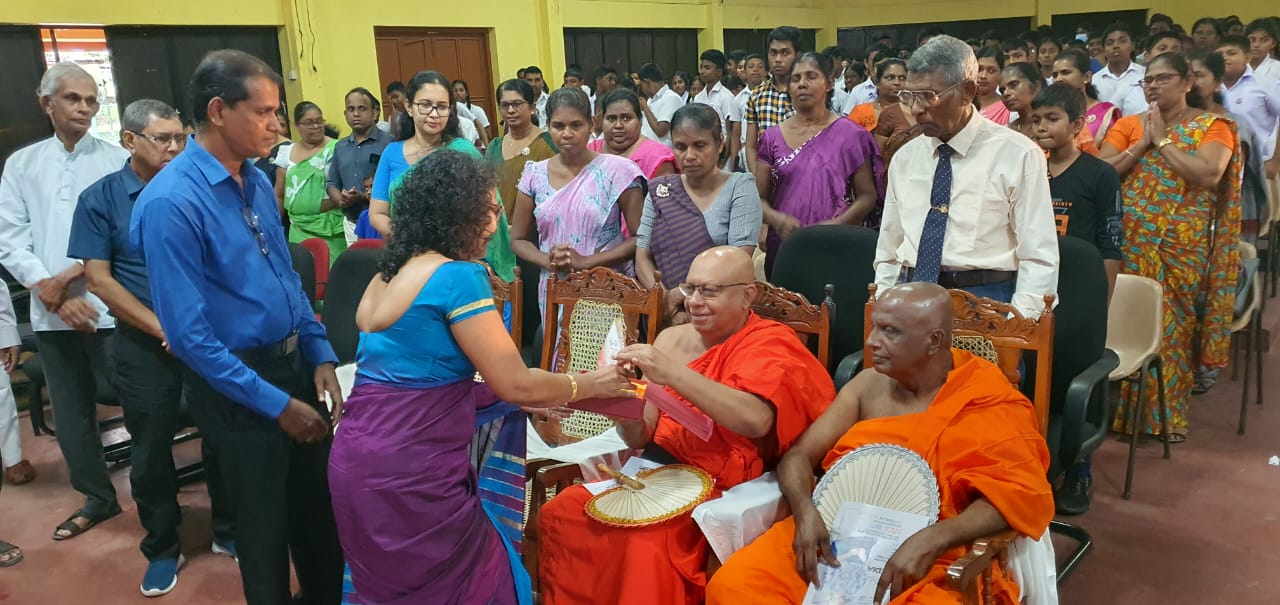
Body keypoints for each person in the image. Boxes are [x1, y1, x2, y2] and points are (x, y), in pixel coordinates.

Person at [329, 149, 633, 605]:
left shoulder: (385, 276)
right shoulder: (458, 277)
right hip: (412, 473)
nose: (494, 226)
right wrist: (591, 384)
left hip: (355, 463)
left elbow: (411, 385)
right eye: (486, 212)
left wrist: (507, 397)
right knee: (471, 582)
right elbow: (517, 382)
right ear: (453, 215)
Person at [130, 49, 345, 604]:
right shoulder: (172, 203)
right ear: (220, 110)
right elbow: (189, 339)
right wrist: (276, 405)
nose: (278, 123)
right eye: (266, 111)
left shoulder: (253, 179)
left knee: (317, 516)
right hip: (237, 386)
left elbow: (286, 276)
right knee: (263, 528)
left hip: (293, 364)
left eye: (279, 111)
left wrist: (318, 351)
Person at [705, 282, 1054, 605]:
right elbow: (798, 456)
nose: (871, 342)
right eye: (874, 327)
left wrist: (934, 538)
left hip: (930, 553)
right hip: (836, 534)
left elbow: (1012, 494)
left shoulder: (986, 398)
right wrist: (805, 509)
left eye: (890, 332)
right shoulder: (866, 386)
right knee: (733, 586)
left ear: (933, 341)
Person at [538, 246, 836, 605]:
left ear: (747, 295)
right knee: (564, 512)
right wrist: (619, 408)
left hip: (716, 486)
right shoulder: (669, 340)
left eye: (709, 291)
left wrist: (673, 374)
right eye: (689, 288)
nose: (694, 301)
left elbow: (755, 420)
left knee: (644, 542)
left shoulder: (770, 343)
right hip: (654, 475)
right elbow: (642, 433)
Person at [67, 99, 238, 596]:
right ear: (129, 141)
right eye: (162, 138)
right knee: (149, 453)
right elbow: (99, 280)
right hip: (145, 346)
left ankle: (228, 529)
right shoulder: (101, 199)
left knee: (223, 439)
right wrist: (166, 329)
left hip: (209, 340)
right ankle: (163, 547)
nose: (174, 147)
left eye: (180, 138)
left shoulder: (200, 189)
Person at [0, 62, 126, 541]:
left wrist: (74, 279)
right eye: (74, 99)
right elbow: (10, 239)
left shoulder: (115, 159)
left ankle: (158, 497)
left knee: (141, 403)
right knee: (71, 414)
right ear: (45, 103)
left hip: (111, 307)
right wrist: (49, 291)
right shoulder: (22, 164)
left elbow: (123, 233)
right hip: (50, 313)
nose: (85, 108)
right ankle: (98, 498)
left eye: (92, 100)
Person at [1098, 52, 1241, 443]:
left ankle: (1165, 416)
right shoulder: (1129, 125)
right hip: (1130, 238)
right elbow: (1101, 171)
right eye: (1149, 80)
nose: (1154, 86)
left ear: (1187, 82)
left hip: (1181, 243)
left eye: (1164, 78)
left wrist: (1160, 140)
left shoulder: (1213, 127)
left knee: (1173, 325)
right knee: (1126, 321)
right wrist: (1141, 143)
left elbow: (1208, 173)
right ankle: (1122, 414)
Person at [874, 35, 1059, 320]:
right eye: (909, 96)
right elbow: (889, 247)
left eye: (928, 96)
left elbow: (1038, 255)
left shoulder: (1017, 154)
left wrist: (1018, 326)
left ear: (967, 91)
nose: (916, 109)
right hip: (912, 296)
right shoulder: (906, 157)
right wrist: (884, 304)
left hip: (987, 301)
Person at [368, 71, 517, 281]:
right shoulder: (392, 153)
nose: (434, 113)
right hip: (411, 260)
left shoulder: (463, 151)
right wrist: (414, 244)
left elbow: (491, 208)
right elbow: (378, 214)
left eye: (442, 106)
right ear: (409, 106)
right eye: (425, 105)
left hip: (462, 262)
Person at [510, 88, 645, 312]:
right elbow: (518, 239)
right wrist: (548, 260)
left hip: (605, 287)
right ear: (548, 127)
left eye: (576, 125)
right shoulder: (534, 174)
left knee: (606, 348)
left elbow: (641, 237)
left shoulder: (618, 171)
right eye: (558, 126)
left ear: (592, 124)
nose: (567, 134)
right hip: (554, 289)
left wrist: (585, 262)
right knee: (557, 346)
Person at [757, 52, 883, 276]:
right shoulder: (771, 138)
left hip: (837, 246)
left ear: (829, 83)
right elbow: (759, 198)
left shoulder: (851, 135)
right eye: (796, 79)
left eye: (811, 77)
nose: (802, 84)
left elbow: (867, 196)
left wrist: (837, 226)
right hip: (787, 248)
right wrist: (777, 220)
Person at [635, 104, 762, 322]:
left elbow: (738, 258)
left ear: (720, 142)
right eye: (680, 147)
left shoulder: (740, 186)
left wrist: (683, 294)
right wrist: (665, 299)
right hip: (666, 311)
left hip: (719, 312)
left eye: (700, 145)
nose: (689, 155)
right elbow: (642, 256)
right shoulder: (660, 191)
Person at [1030, 84, 1123, 297]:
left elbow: (1111, 244)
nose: (1041, 127)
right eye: (1036, 120)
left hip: (1081, 283)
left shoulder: (1101, 174)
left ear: (1077, 124)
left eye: (1052, 119)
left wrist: (1101, 304)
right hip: (1035, 281)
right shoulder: (1030, 171)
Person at [1191, 50, 1271, 245]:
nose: (1190, 83)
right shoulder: (1178, 121)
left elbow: (1228, 180)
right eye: (1187, 76)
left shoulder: (1234, 125)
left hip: (1226, 214)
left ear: (1218, 84)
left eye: (1199, 76)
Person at [273, 101, 344, 261]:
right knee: (306, 276)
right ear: (297, 125)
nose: (316, 126)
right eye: (309, 123)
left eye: (319, 121)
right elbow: (279, 194)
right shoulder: (286, 153)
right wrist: (273, 224)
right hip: (298, 230)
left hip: (331, 228)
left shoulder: (337, 149)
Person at [486, 79, 558, 222]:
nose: (511, 110)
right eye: (505, 105)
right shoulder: (495, 146)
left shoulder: (549, 143)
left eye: (517, 104)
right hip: (498, 232)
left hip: (536, 235)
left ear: (532, 108)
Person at [326, 87, 389, 246]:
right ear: (345, 114)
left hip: (382, 221)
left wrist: (362, 196)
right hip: (351, 222)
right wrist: (340, 199)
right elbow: (331, 183)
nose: (355, 114)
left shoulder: (389, 144)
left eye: (362, 109)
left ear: (374, 113)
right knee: (359, 268)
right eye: (351, 109)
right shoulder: (340, 146)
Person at [1219, 36, 1280, 182]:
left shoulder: (1265, 84)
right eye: (1220, 55)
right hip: (1220, 165)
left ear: (1247, 57)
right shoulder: (1210, 87)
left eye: (1231, 53)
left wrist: (1276, 161)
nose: (1225, 58)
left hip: (1261, 164)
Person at [746, 27, 803, 170]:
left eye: (785, 53)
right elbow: (751, 146)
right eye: (773, 53)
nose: (778, 59)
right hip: (766, 178)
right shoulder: (757, 94)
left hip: (802, 176)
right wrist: (757, 178)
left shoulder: (806, 93)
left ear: (797, 56)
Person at [589, 88, 677, 180]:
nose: (618, 125)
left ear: (640, 121)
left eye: (626, 118)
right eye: (611, 119)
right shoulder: (590, 151)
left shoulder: (657, 157)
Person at [1052, 49, 1122, 146]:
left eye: (1065, 72)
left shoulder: (1106, 112)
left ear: (1087, 77)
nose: (1058, 79)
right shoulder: (1051, 114)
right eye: (1055, 75)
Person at [1094, 23, 1150, 116]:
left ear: (1132, 45)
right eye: (1110, 43)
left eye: (1122, 41)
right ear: (1104, 50)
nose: (1115, 46)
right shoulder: (1094, 80)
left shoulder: (1145, 74)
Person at [847, 58, 907, 142]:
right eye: (890, 78)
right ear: (877, 82)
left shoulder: (914, 111)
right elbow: (849, 143)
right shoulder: (861, 112)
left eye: (902, 78)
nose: (897, 82)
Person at [693, 49, 737, 143]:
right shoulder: (698, 97)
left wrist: (724, 157)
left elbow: (730, 132)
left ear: (719, 71)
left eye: (707, 68)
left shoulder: (726, 97)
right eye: (701, 67)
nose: (702, 71)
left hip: (721, 148)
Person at [636, 62, 683, 148]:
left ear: (646, 83)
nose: (642, 89)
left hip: (663, 153)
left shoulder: (671, 98)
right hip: (646, 150)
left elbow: (660, 131)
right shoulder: (650, 100)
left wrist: (646, 109)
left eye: (641, 85)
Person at [1001, 62, 1047, 139]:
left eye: (1013, 85)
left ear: (1036, 87)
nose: (1005, 93)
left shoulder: (1054, 126)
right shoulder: (1006, 132)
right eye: (1002, 90)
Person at [975, 46, 1008, 125]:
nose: (983, 76)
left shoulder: (1008, 107)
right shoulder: (961, 103)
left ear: (1001, 73)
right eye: (979, 69)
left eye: (991, 71)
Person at [453, 79, 491, 146]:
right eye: (455, 91)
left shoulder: (477, 110)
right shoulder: (450, 109)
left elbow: (487, 132)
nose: (458, 93)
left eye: (461, 90)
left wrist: (487, 147)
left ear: (466, 93)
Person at [1246, 18, 1280, 85]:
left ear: (1273, 44)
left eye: (1264, 40)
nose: (1256, 45)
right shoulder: (1235, 67)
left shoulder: (1278, 68)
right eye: (1252, 39)